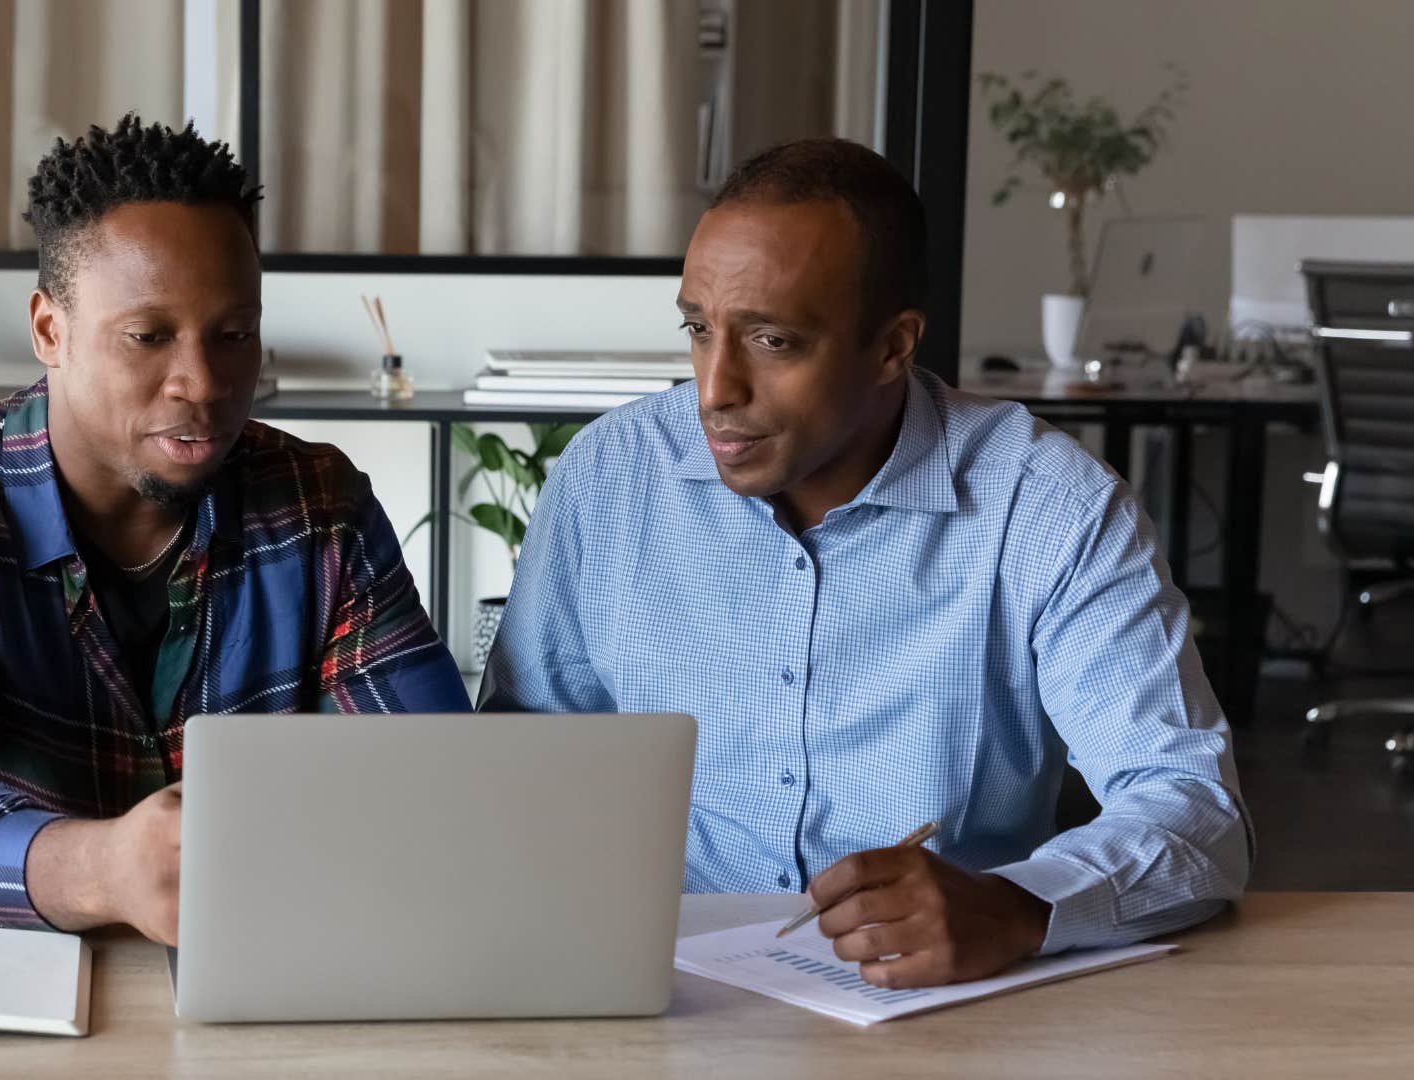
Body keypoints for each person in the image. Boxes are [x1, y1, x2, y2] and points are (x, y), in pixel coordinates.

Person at [480, 138, 1250, 988]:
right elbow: (522, 770)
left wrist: (1023, 907)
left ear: (892, 348)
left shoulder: (1047, 507)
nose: (713, 388)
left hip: (943, 1005)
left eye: (772, 341)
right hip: (656, 989)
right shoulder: (610, 479)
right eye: (699, 329)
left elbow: (1194, 812)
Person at [0, 115, 468, 945]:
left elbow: (432, 778)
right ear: (51, 330)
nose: (203, 382)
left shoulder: (316, 503)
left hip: (262, 964)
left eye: (234, 335)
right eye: (148, 337)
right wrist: (105, 870)